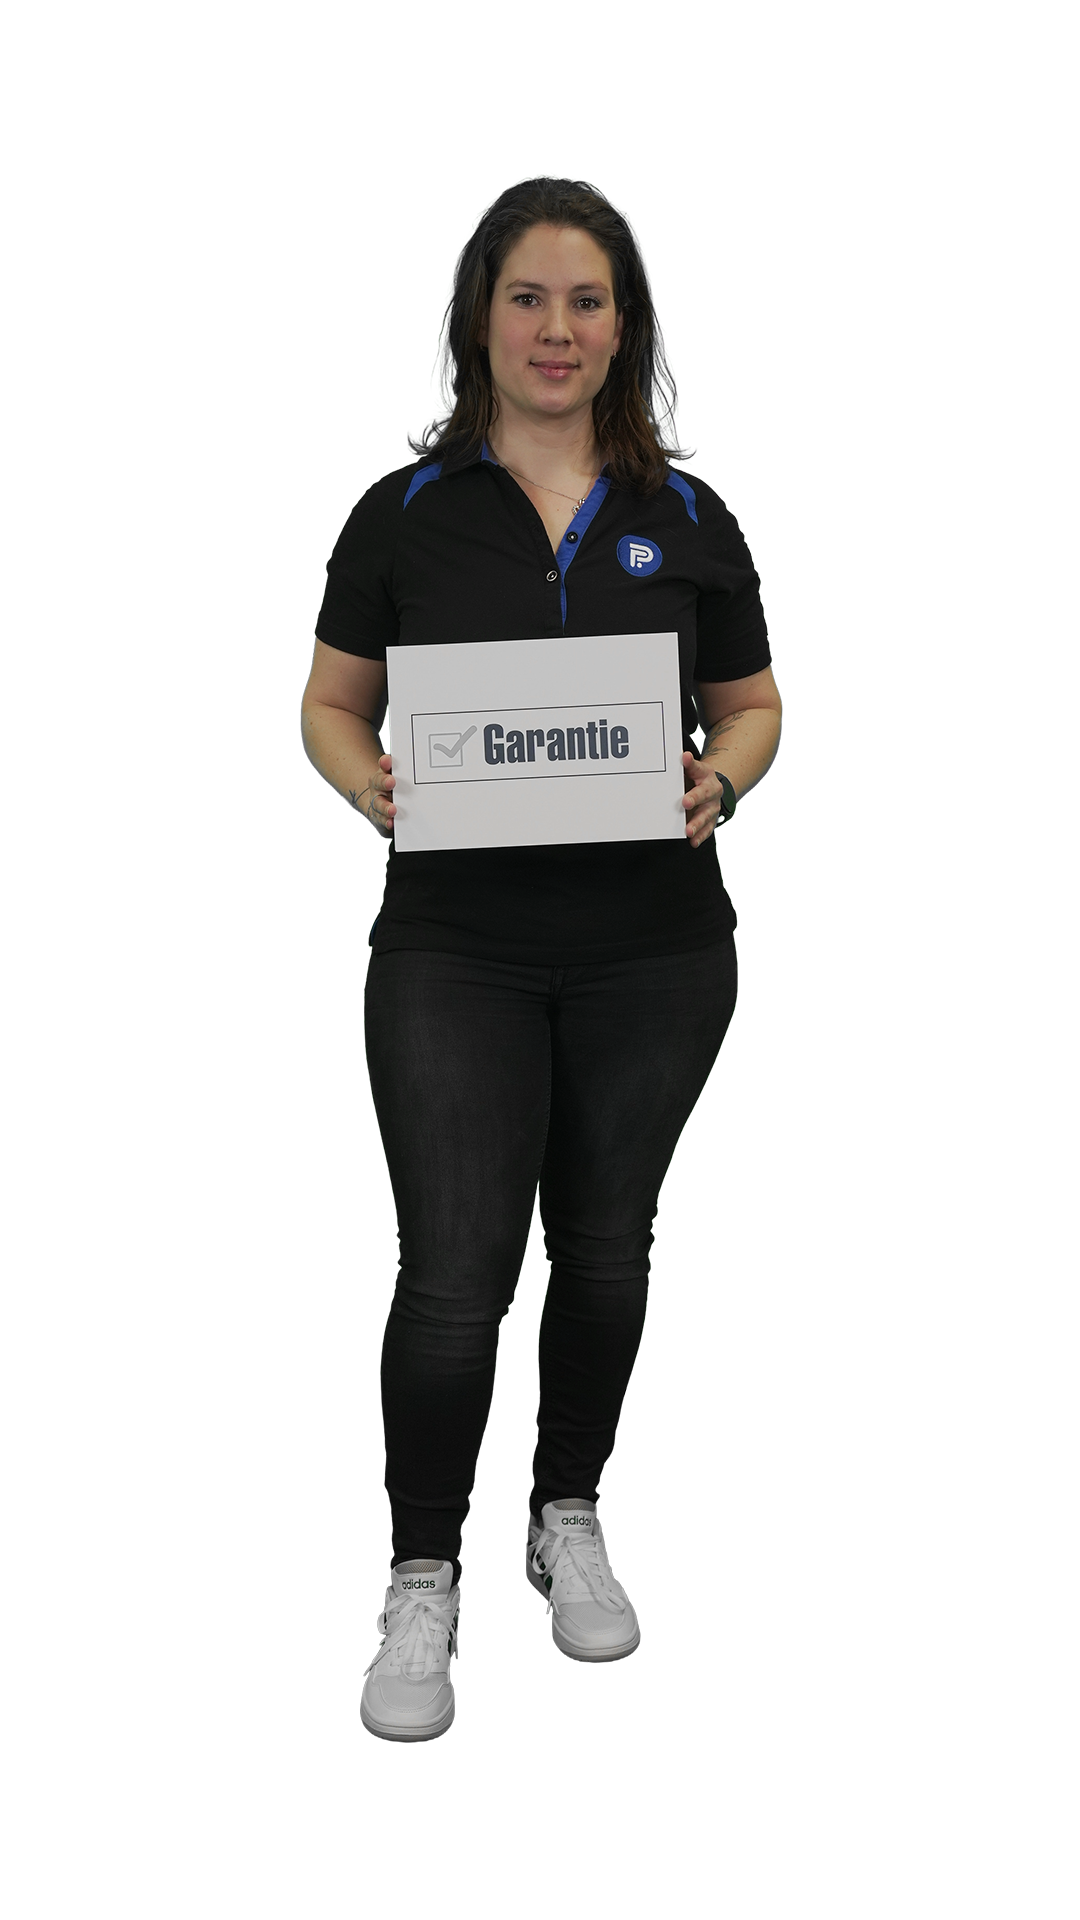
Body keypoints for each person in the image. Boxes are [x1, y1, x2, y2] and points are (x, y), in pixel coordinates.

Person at [302, 175, 782, 1742]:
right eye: (528, 298)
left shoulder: (690, 514)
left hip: (654, 951)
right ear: (482, 320)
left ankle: (566, 1512)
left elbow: (754, 701)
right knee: (454, 1275)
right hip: (460, 953)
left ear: (623, 327)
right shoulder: (405, 509)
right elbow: (331, 699)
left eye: (587, 300)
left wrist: (726, 777)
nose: (557, 329)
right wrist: (370, 780)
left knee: (609, 1252)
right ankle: (421, 1577)